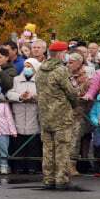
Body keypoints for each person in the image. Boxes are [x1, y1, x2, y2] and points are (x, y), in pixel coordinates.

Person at [35, 41, 86, 191]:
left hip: (45, 115)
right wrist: (77, 99)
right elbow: (71, 92)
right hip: (61, 115)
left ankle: (48, 178)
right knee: (63, 148)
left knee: (48, 149)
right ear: (61, 54)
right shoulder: (61, 70)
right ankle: (61, 178)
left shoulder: (40, 70)